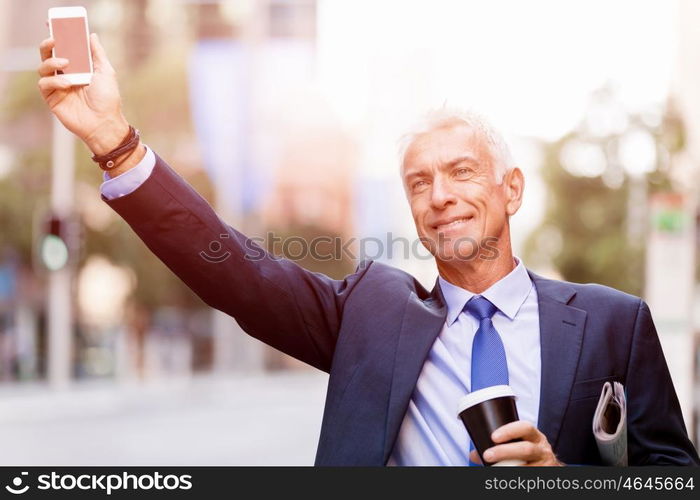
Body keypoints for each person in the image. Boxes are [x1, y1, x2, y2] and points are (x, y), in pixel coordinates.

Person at [37, 33, 699, 466]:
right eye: (419, 182)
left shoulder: (614, 322)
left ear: (512, 190)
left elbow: (672, 477)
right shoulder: (371, 313)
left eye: (462, 172)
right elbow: (234, 270)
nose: (440, 194)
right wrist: (115, 141)